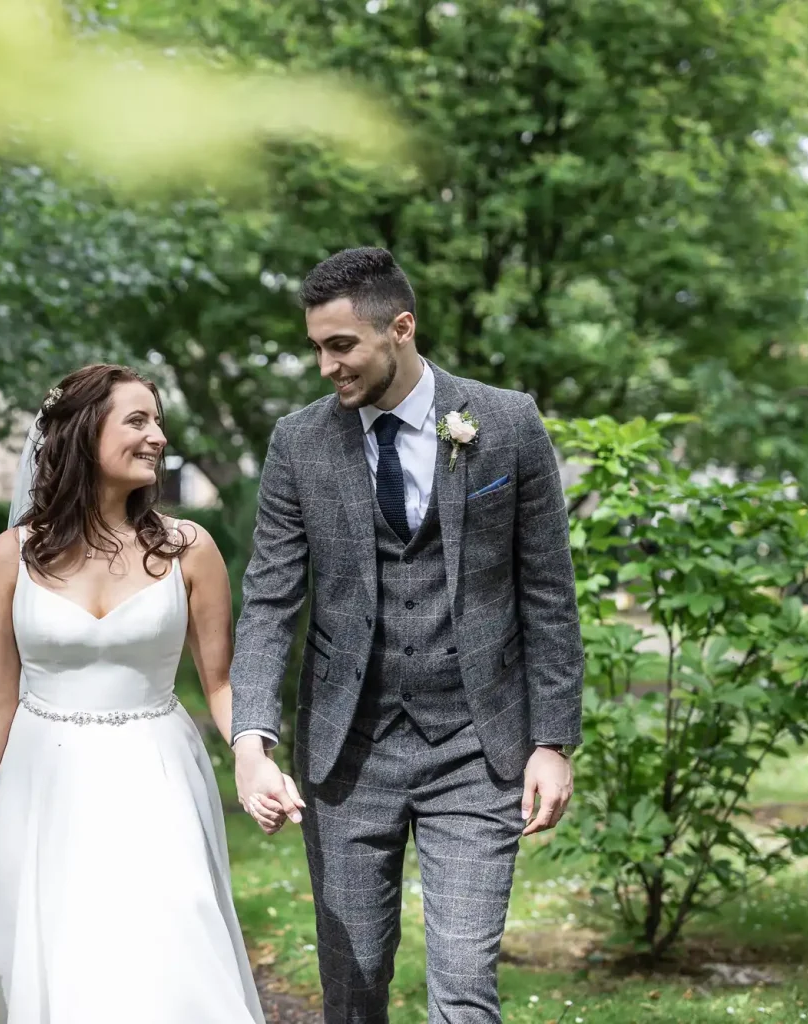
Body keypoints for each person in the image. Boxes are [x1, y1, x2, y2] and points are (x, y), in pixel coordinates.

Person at [230, 247, 584, 1023]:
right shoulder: (300, 442)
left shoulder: (508, 423)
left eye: (341, 345)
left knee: (463, 986)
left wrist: (552, 741)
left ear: (400, 327)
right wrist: (250, 739)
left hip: (478, 747)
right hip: (347, 753)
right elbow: (269, 600)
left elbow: (549, 594)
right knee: (353, 991)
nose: (326, 366)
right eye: (316, 347)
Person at [0, 363, 273, 1023]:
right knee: (57, 948)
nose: (157, 438)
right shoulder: (10, 557)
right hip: (41, 779)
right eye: (137, 420)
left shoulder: (188, 549)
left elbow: (222, 684)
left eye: (158, 422)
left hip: (158, 773)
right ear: (85, 433)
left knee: (172, 939)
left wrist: (255, 762)